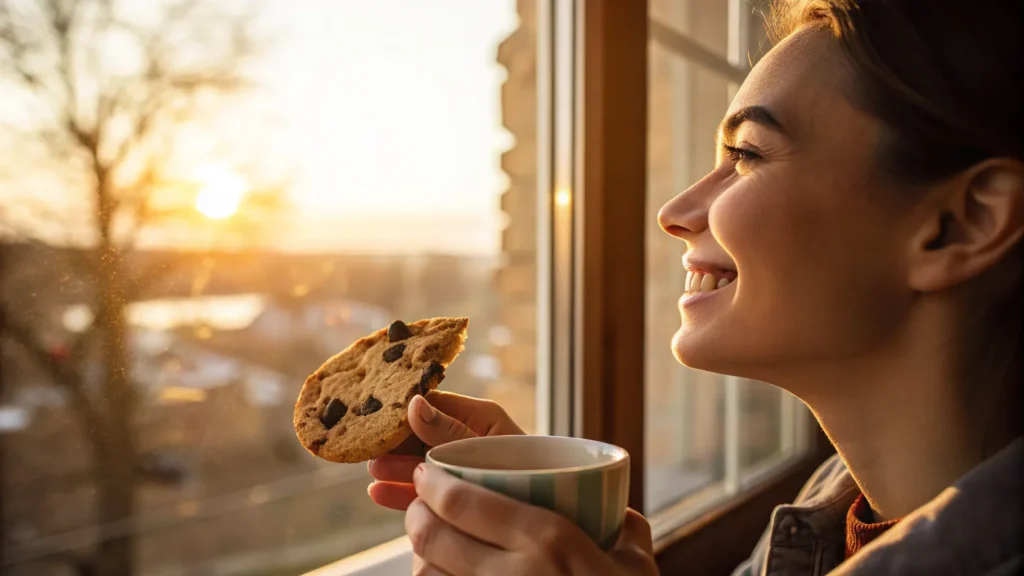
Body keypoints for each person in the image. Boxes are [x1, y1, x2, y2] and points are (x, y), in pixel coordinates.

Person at [366, 0, 1023, 574]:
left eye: (750, 155)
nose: (674, 211)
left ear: (961, 224)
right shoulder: (827, 521)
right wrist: (560, 517)